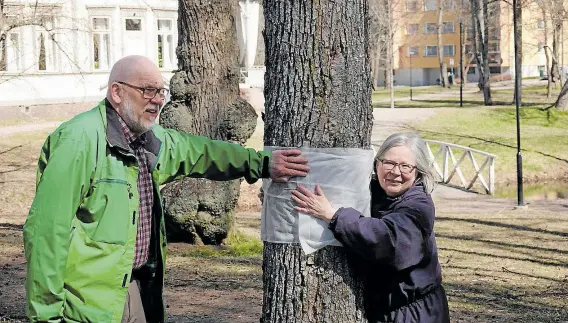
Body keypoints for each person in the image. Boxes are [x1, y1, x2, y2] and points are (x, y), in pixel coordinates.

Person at [23, 55, 310, 323]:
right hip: (87, 301)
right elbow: (47, 232)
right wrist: (47, 316)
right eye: (147, 90)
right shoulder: (79, 140)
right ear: (117, 92)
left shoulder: (150, 140)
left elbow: (202, 153)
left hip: (136, 287)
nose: (158, 100)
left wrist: (261, 164)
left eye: (161, 92)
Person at [291, 132, 450, 323]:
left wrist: (334, 215)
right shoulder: (373, 192)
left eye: (405, 166)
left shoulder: (418, 206)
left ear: (418, 171)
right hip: (388, 311)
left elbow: (388, 240)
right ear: (377, 163)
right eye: (389, 163)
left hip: (416, 315)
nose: (395, 172)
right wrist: (282, 200)